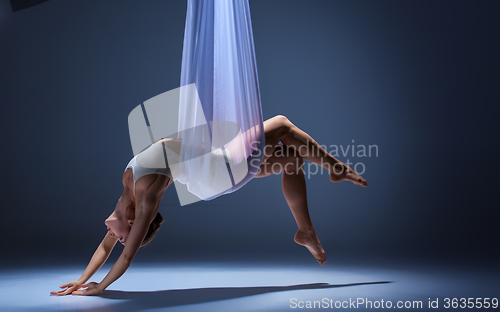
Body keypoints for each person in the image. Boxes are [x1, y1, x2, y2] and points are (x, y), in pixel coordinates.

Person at [50, 115, 367, 296]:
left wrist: (81, 279)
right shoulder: (146, 198)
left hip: (211, 166)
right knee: (282, 124)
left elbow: (105, 251)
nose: (111, 236)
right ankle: (338, 170)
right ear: (133, 226)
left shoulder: (126, 195)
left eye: (116, 237)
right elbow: (126, 255)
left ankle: (305, 230)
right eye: (120, 237)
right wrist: (100, 287)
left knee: (291, 159)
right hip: (217, 170)